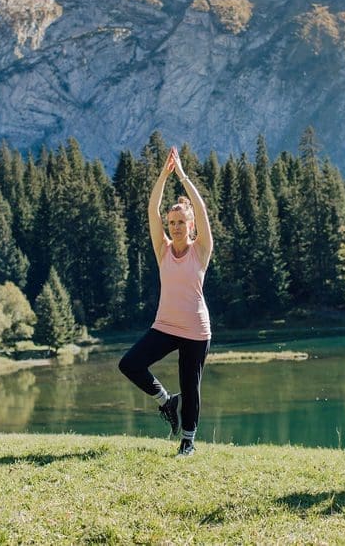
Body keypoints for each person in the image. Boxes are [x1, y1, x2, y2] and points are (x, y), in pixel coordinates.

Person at [119, 146, 214, 457]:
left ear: (191, 227)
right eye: (171, 222)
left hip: (196, 331)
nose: (174, 227)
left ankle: (188, 441)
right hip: (165, 325)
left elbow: (200, 209)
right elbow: (151, 209)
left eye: (180, 223)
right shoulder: (162, 249)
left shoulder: (201, 250)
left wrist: (183, 176)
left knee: (191, 386)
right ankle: (165, 401)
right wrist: (163, 174)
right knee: (130, 364)